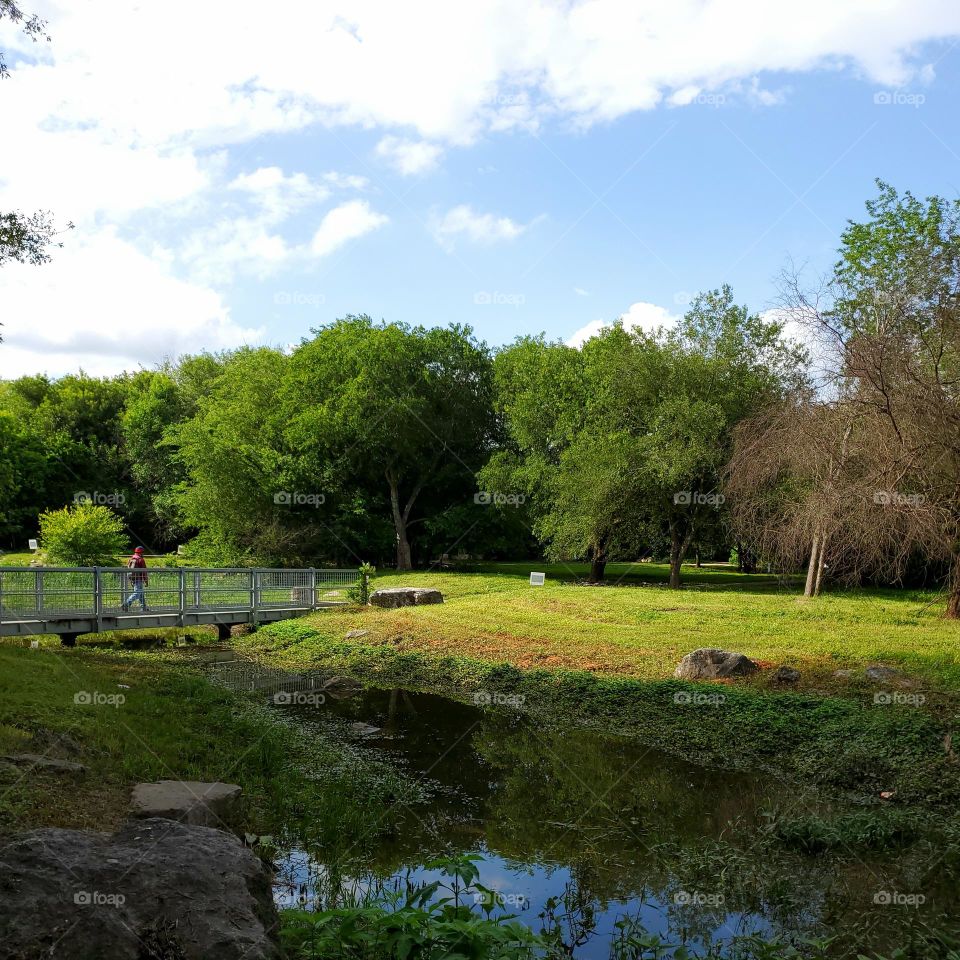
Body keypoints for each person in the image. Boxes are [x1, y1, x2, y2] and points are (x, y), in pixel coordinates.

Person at [121, 546, 149, 612]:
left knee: (140, 593)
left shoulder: (131, 559)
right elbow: (144, 571)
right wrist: (146, 581)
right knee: (137, 593)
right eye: (143, 552)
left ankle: (144, 607)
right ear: (141, 552)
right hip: (139, 579)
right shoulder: (140, 559)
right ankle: (126, 604)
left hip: (133, 579)